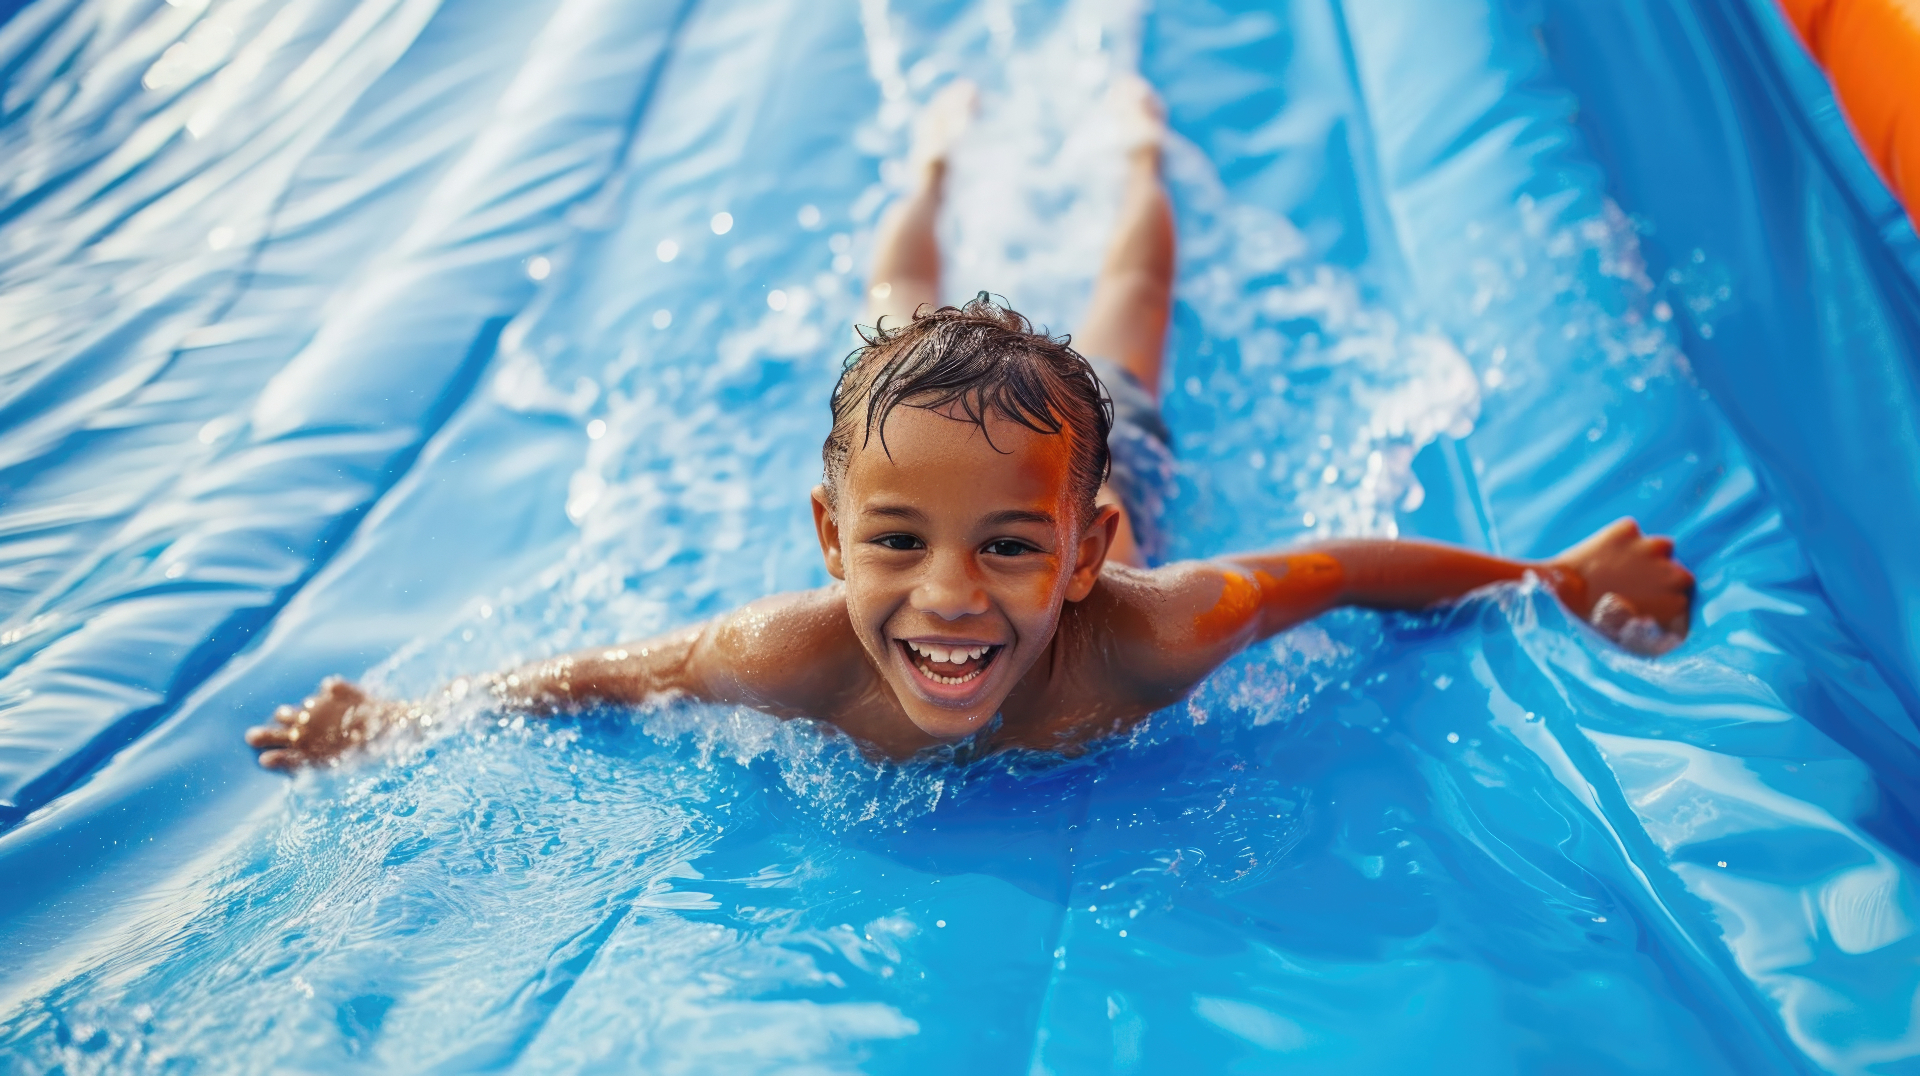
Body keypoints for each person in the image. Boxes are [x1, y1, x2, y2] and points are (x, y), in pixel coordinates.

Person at [246, 77, 1693, 769]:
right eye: (894, 544)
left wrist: (1548, 579)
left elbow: (1339, 570)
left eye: (1011, 547)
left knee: (1131, 300)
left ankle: (1137, 152)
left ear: (1086, 549)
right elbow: (615, 676)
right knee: (893, 307)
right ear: (832, 540)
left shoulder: (1159, 627)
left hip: (1103, 421)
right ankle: (929, 162)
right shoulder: (789, 651)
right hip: (940, 407)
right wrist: (404, 720)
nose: (948, 596)